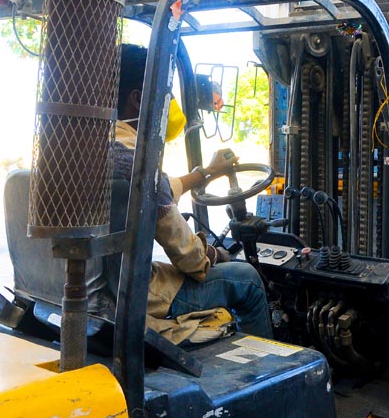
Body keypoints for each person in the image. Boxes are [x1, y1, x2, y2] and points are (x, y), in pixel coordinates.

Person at [114, 43, 271, 343]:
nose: (168, 103)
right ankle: (265, 375)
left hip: (103, 289)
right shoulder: (137, 164)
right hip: (138, 297)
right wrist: (215, 253)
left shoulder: (86, 146)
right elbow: (191, 260)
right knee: (248, 281)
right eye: (164, 94)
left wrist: (206, 173)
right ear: (138, 99)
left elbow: (161, 191)